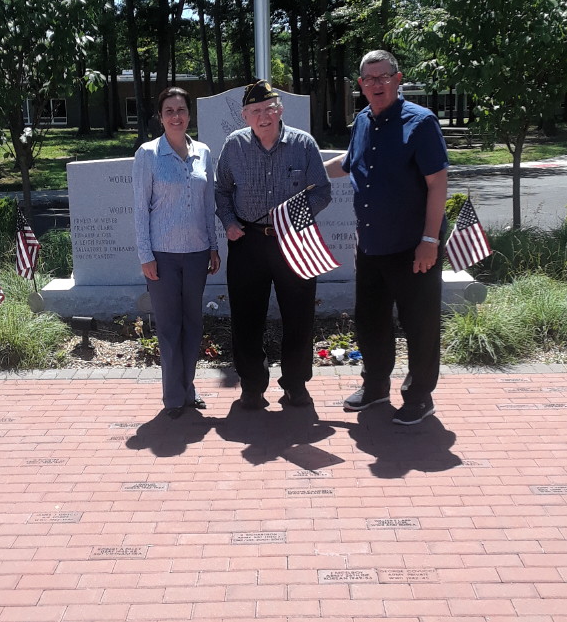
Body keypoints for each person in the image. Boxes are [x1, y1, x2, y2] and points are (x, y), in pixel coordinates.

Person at [325, 49, 448, 425]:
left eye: (384, 76)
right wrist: (302, 170)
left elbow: (438, 184)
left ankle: (419, 396)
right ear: (360, 85)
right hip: (372, 246)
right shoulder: (363, 120)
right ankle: (376, 386)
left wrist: (430, 241)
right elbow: (349, 163)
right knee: (371, 321)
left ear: (398, 78)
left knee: (420, 325)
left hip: (413, 247)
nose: (377, 84)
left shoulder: (421, 122)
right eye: (369, 79)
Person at [215, 79, 331, 409]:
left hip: (294, 240)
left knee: (299, 316)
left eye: (268, 109)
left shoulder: (303, 144)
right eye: (254, 111)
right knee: (246, 317)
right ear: (244, 116)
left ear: (279, 110)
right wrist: (229, 222)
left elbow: (321, 191)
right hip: (248, 242)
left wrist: (292, 216)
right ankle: (252, 385)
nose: (263, 116)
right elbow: (221, 190)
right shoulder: (234, 146)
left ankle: (295, 384)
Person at [133, 86, 220, 418]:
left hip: (197, 253)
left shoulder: (204, 152)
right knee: (169, 328)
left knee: (193, 325)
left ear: (188, 115)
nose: (176, 116)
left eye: (181, 110)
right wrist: (145, 256)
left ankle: (188, 388)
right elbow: (141, 209)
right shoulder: (148, 154)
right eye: (169, 110)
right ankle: (173, 398)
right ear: (160, 116)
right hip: (163, 257)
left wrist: (213, 246)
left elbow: (207, 204)